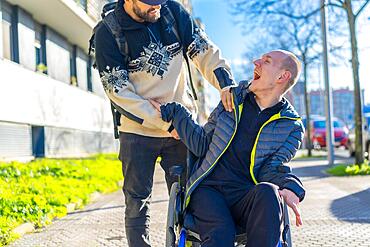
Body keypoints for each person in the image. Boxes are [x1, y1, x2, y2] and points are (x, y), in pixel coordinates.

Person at [94, 0, 236, 246]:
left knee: (192, 197)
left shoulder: (173, 12)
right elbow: (119, 92)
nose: (156, 8)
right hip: (137, 131)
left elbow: (204, 51)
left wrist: (225, 81)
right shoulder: (108, 32)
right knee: (137, 201)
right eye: (149, 3)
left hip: (181, 128)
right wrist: (166, 124)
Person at [151, 50, 306, 247]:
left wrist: (291, 187)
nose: (256, 62)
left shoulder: (291, 126)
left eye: (266, 61)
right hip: (209, 190)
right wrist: (178, 113)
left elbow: (273, 168)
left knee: (269, 192)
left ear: (282, 77)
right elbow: (202, 145)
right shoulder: (232, 100)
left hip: (245, 195)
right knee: (221, 232)